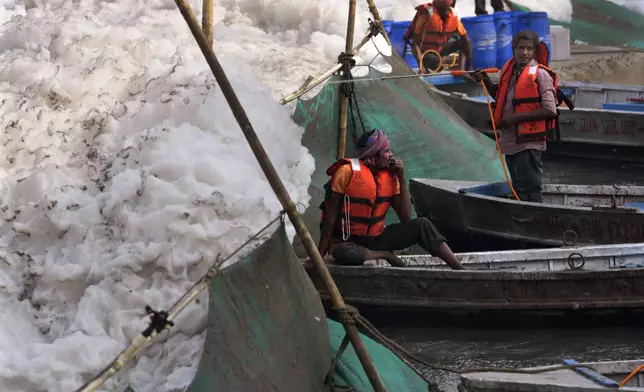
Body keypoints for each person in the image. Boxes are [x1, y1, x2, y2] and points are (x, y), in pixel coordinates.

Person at [317, 129, 465, 270]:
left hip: (377, 240)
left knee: (422, 224)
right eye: (386, 151)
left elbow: (407, 219)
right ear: (374, 155)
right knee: (342, 252)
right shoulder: (346, 172)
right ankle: (385, 255)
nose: (391, 155)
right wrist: (319, 256)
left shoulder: (391, 177)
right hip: (348, 243)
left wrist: (401, 177)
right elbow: (330, 217)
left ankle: (460, 270)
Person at [468, 30, 558, 203]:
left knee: (530, 189)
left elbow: (550, 109)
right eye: (520, 48)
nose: (524, 52)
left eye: (529, 49)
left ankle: (533, 219)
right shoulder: (508, 72)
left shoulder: (540, 75)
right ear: (513, 49)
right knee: (517, 187)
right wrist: (486, 81)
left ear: (534, 51)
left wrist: (514, 118)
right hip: (510, 141)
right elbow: (502, 98)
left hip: (528, 144)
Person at [402, 0, 472, 73]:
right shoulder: (425, 14)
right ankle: (441, 62)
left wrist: (470, 66)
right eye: (444, 8)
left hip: (441, 49)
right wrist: (421, 66)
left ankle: (461, 70)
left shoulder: (452, 15)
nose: (447, 10)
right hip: (426, 53)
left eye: (448, 7)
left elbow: (466, 40)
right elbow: (415, 44)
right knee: (437, 65)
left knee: (464, 43)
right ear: (437, 7)